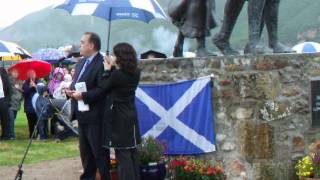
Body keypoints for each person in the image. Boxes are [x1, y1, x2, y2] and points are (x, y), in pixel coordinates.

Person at [65, 32, 110, 180]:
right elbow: (76, 82)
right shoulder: (81, 63)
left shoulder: (102, 62)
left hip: (96, 116)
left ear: (92, 45)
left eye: (83, 42)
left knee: (99, 153)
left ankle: (104, 177)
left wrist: (83, 95)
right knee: (85, 153)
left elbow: (102, 89)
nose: (80, 45)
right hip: (81, 114)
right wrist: (70, 91)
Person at [101, 42, 141, 180]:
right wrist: (113, 68)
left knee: (123, 155)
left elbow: (105, 86)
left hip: (119, 116)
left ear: (119, 56)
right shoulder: (136, 72)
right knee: (132, 153)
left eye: (114, 54)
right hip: (131, 114)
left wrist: (107, 69)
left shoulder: (117, 75)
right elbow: (117, 82)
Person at [22, 70, 40, 138]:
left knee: (37, 121)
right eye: (30, 74)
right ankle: (32, 135)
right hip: (29, 106)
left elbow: (41, 92)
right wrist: (30, 87)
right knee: (30, 122)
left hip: (37, 105)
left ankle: (39, 134)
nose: (32, 75)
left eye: (33, 74)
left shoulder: (38, 83)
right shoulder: (25, 84)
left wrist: (35, 86)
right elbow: (25, 94)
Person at [8, 69, 23, 139]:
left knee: (13, 119)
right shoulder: (8, 81)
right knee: (11, 120)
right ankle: (12, 135)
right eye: (14, 72)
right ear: (11, 73)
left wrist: (19, 88)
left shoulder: (20, 80)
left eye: (17, 72)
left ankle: (9, 133)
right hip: (10, 103)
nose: (16, 73)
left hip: (17, 104)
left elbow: (23, 91)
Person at [0, 67, 12, 140]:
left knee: (5, 118)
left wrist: (7, 100)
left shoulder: (2, 71)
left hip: (3, 98)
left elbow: (8, 86)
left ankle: (5, 135)